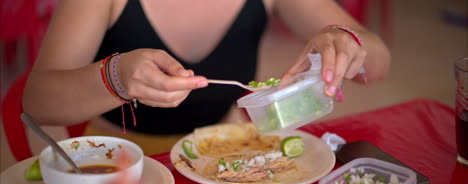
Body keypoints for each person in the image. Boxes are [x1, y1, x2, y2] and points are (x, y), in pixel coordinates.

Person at [23, 0, 391, 155]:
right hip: (124, 161)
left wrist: (348, 43)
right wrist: (114, 78)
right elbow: (36, 101)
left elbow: (377, 63)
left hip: (224, 155)